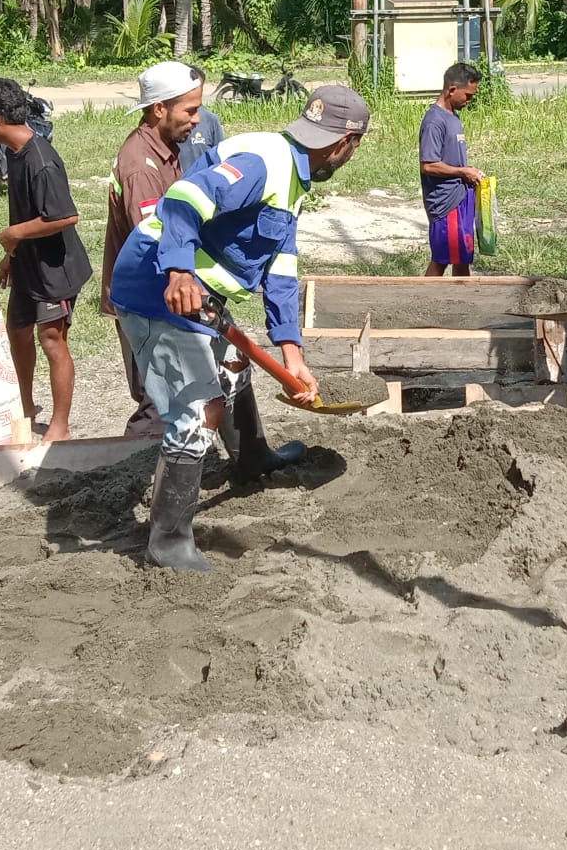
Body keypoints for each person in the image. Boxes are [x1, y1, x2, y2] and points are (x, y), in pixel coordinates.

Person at [109, 86, 371, 571]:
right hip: (157, 285)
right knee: (198, 410)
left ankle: (252, 458)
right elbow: (183, 198)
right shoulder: (264, 162)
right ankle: (167, 543)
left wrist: (291, 351)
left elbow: (282, 271)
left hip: (194, 294)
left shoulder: (294, 175)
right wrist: (180, 270)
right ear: (346, 145)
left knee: (233, 366)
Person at [0, 78, 93, 443]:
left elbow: (64, 216)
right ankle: (24, 408)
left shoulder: (41, 161)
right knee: (17, 331)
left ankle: (60, 425)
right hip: (27, 262)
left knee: (51, 339)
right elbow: (25, 210)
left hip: (56, 267)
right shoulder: (13, 152)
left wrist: (15, 235)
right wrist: (11, 254)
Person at [103, 61, 213, 438]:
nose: (197, 120)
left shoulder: (166, 148)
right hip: (146, 301)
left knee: (171, 394)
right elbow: (154, 243)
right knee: (158, 401)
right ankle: (133, 478)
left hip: (158, 297)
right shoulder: (142, 168)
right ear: (159, 109)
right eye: (191, 110)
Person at [419, 62, 485, 276]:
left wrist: (469, 172)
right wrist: (463, 172)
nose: (469, 101)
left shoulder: (453, 117)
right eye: (468, 96)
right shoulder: (434, 121)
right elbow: (428, 165)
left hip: (460, 198)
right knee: (441, 260)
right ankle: (422, 303)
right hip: (445, 203)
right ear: (452, 90)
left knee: (462, 259)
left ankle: (462, 305)